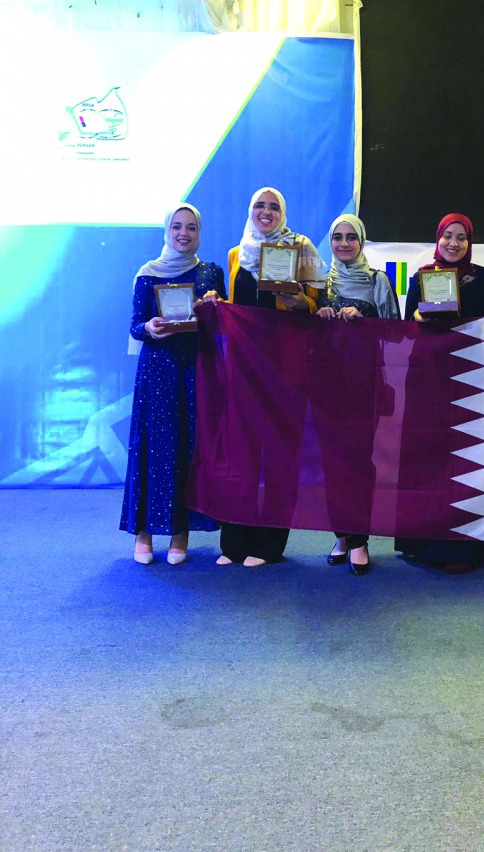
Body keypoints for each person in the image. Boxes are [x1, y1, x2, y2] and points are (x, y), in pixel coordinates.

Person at [215, 187, 325, 568]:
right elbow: (235, 308)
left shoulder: (302, 248)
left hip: (285, 368)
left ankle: (269, 545)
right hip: (243, 367)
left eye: (274, 206)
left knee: (280, 455)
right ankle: (234, 543)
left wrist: (301, 302)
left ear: (283, 213)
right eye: (259, 206)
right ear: (250, 211)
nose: (266, 212)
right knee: (240, 454)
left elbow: (320, 303)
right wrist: (215, 305)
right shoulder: (236, 254)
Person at [395, 214, 484, 574]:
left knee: (465, 459)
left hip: (468, 378)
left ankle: (464, 551)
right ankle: (421, 543)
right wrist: (416, 317)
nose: (454, 243)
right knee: (426, 457)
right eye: (447, 235)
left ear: (470, 242)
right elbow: (405, 328)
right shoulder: (421, 276)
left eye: (461, 237)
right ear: (438, 238)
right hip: (426, 379)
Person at [120, 203, 227, 565]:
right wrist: (149, 328)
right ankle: (144, 533)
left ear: (199, 233)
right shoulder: (148, 273)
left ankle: (180, 534)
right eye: (177, 227)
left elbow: (221, 326)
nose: (184, 233)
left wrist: (215, 307)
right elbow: (136, 325)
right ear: (167, 231)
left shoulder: (211, 273)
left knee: (187, 448)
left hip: (196, 368)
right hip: (158, 369)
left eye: (191, 227)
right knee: (153, 446)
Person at [314, 214, 401, 575]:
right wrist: (317, 315)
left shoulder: (378, 280)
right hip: (326, 385)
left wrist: (365, 319)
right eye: (338, 237)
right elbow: (305, 334)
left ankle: (360, 539)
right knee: (331, 462)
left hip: (365, 384)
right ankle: (341, 536)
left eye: (352, 237)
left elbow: (396, 333)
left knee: (360, 461)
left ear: (362, 242)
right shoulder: (319, 281)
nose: (344, 243)